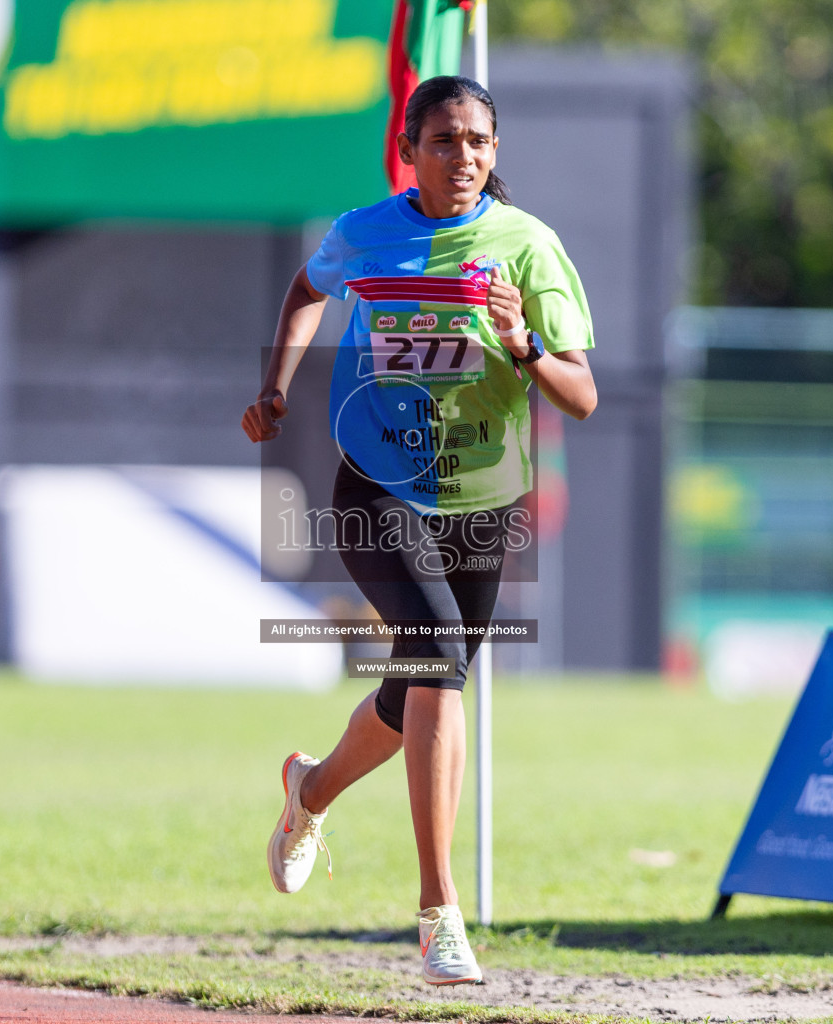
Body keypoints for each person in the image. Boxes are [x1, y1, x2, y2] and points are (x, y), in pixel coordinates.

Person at [242, 75, 597, 986]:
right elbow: (304, 289)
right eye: (444, 140)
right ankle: (442, 912)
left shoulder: (527, 246)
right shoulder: (366, 231)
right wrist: (278, 383)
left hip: (482, 501)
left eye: (479, 141)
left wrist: (522, 347)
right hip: (377, 487)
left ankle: (309, 789)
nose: (465, 158)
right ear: (411, 146)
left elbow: (582, 397)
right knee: (436, 652)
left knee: (417, 693)